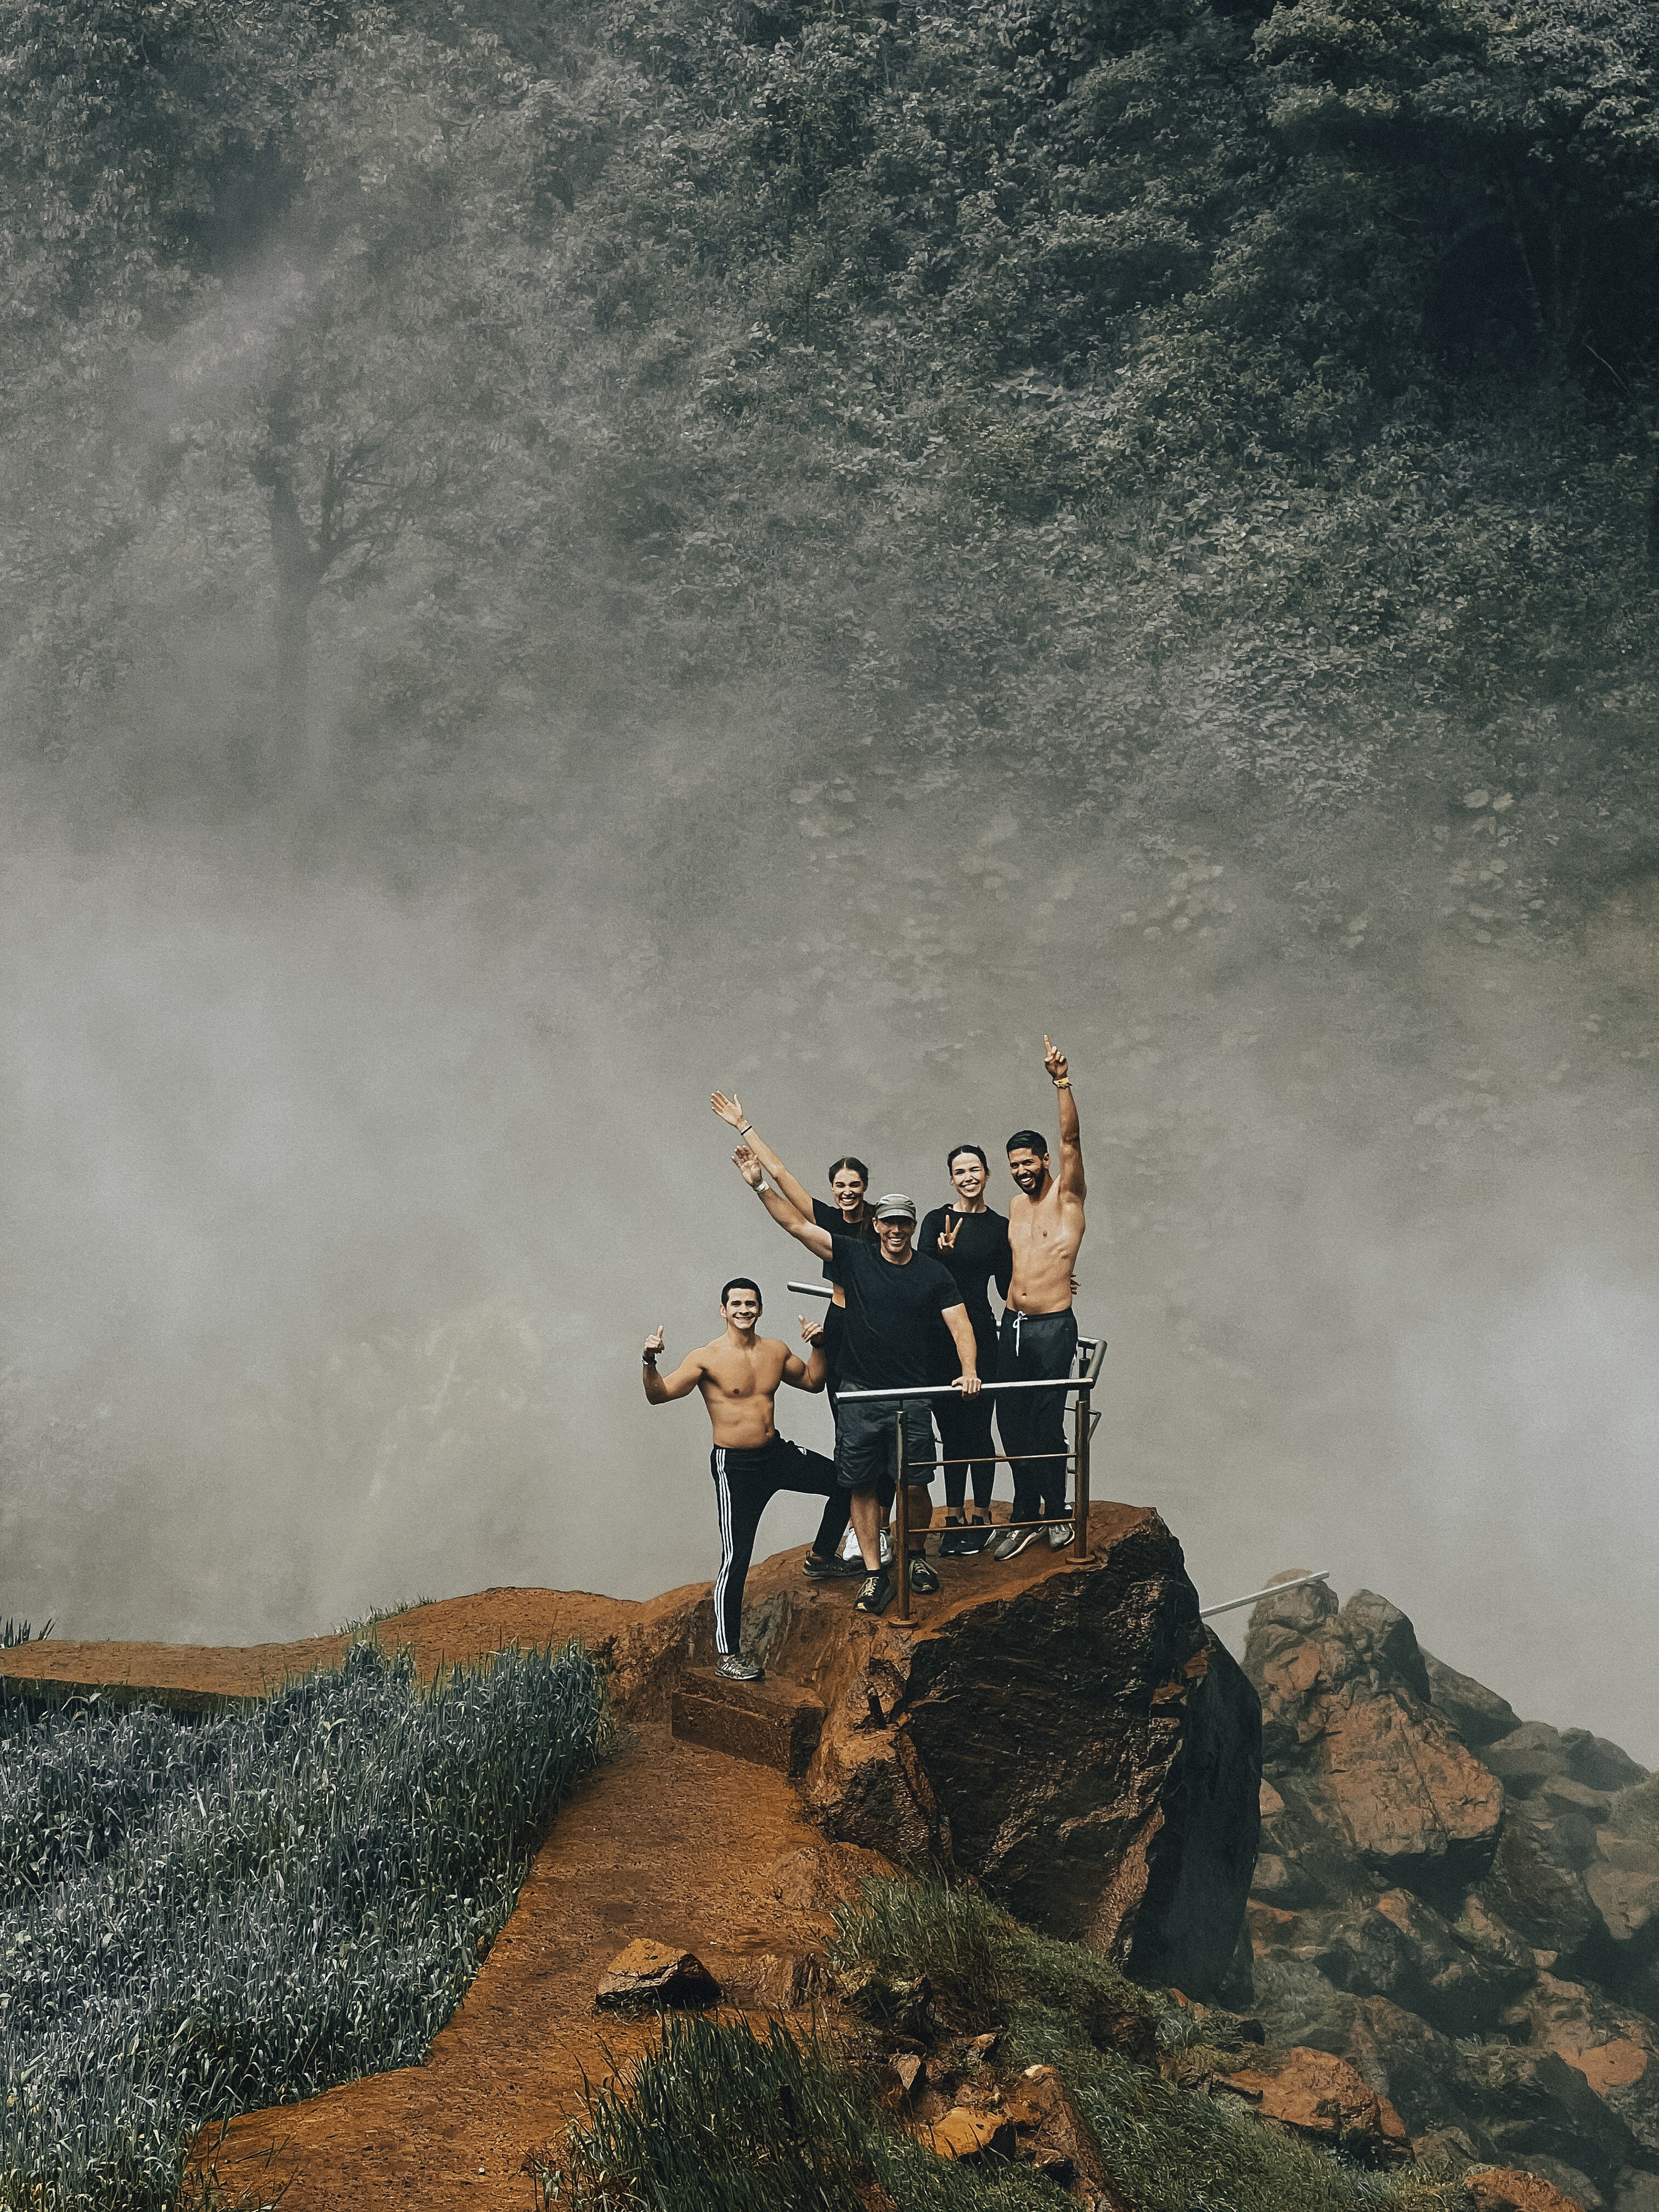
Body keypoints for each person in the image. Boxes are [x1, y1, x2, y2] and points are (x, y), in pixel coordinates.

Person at [732, 1148, 981, 1617]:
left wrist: (969, 1369)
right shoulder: (855, 1257)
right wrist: (760, 1185)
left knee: (913, 1483)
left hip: (911, 1396)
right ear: (879, 1225)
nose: (894, 1231)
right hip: (860, 1394)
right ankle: (873, 1574)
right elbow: (797, 1225)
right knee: (863, 1485)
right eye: (887, 1223)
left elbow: (961, 1324)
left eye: (902, 1224)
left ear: (910, 1226)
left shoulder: (933, 1272)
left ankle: (915, 1558)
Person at [641, 1278, 860, 1684]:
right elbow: (659, 1395)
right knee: (737, 1557)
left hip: (775, 1453)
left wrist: (819, 1344)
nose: (744, 1309)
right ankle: (729, 1653)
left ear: (760, 1309)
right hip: (735, 1468)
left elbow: (813, 1382)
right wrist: (649, 1361)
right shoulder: (705, 1358)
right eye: (736, 1304)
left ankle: (822, 1557)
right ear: (724, 1310)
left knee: (846, 1480)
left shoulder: (775, 1351)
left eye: (751, 1303)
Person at [709, 1093, 874, 1404]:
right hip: (841, 1314)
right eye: (840, 1186)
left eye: (854, 1185)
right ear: (832, 1188)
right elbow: (781, 1174)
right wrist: (743, 1125)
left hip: (877, 1315)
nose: (848, 1192)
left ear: (864, 1186)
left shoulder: (882, 1221)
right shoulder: (827, 1218)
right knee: (841, 1396)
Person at [992, 1037, 1087, 1561]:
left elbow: (1073, 1140)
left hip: (1052, 1328)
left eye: (1029, 1161)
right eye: (1015, 1164)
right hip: (1014, 1325)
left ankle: (1056, 1512)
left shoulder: (1067, 1194)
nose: (1023, 1170)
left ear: (1046, 1160)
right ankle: (1026, 1513)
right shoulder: (1013, 1204)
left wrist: (1061, 1080)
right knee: (1011, 1420)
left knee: (1046, 1423)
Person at [918, 1146, 1012, 1556]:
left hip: (981, 1333)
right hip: (938, 1340)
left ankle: (982, 1517)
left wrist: (1054, 1274)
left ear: (987, 1175)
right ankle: (953, 1515)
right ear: (951, 1178)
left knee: (978, 1427)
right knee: (951, 1429)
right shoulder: (936, 1220)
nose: (968, 1176)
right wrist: (941, 1253)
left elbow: (1008, 1287)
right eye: (960, 1171)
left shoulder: (999, 1227)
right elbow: (915, 1274)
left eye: (975, 1169)